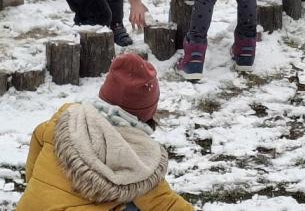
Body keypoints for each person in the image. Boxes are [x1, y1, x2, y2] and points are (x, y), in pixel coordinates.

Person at [16, 53, 195, 210]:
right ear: (147, 112)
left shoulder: (66, 119)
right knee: (134, 202)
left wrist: (37, 187)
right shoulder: (136, 155)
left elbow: (37, 141)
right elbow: (164, 203)